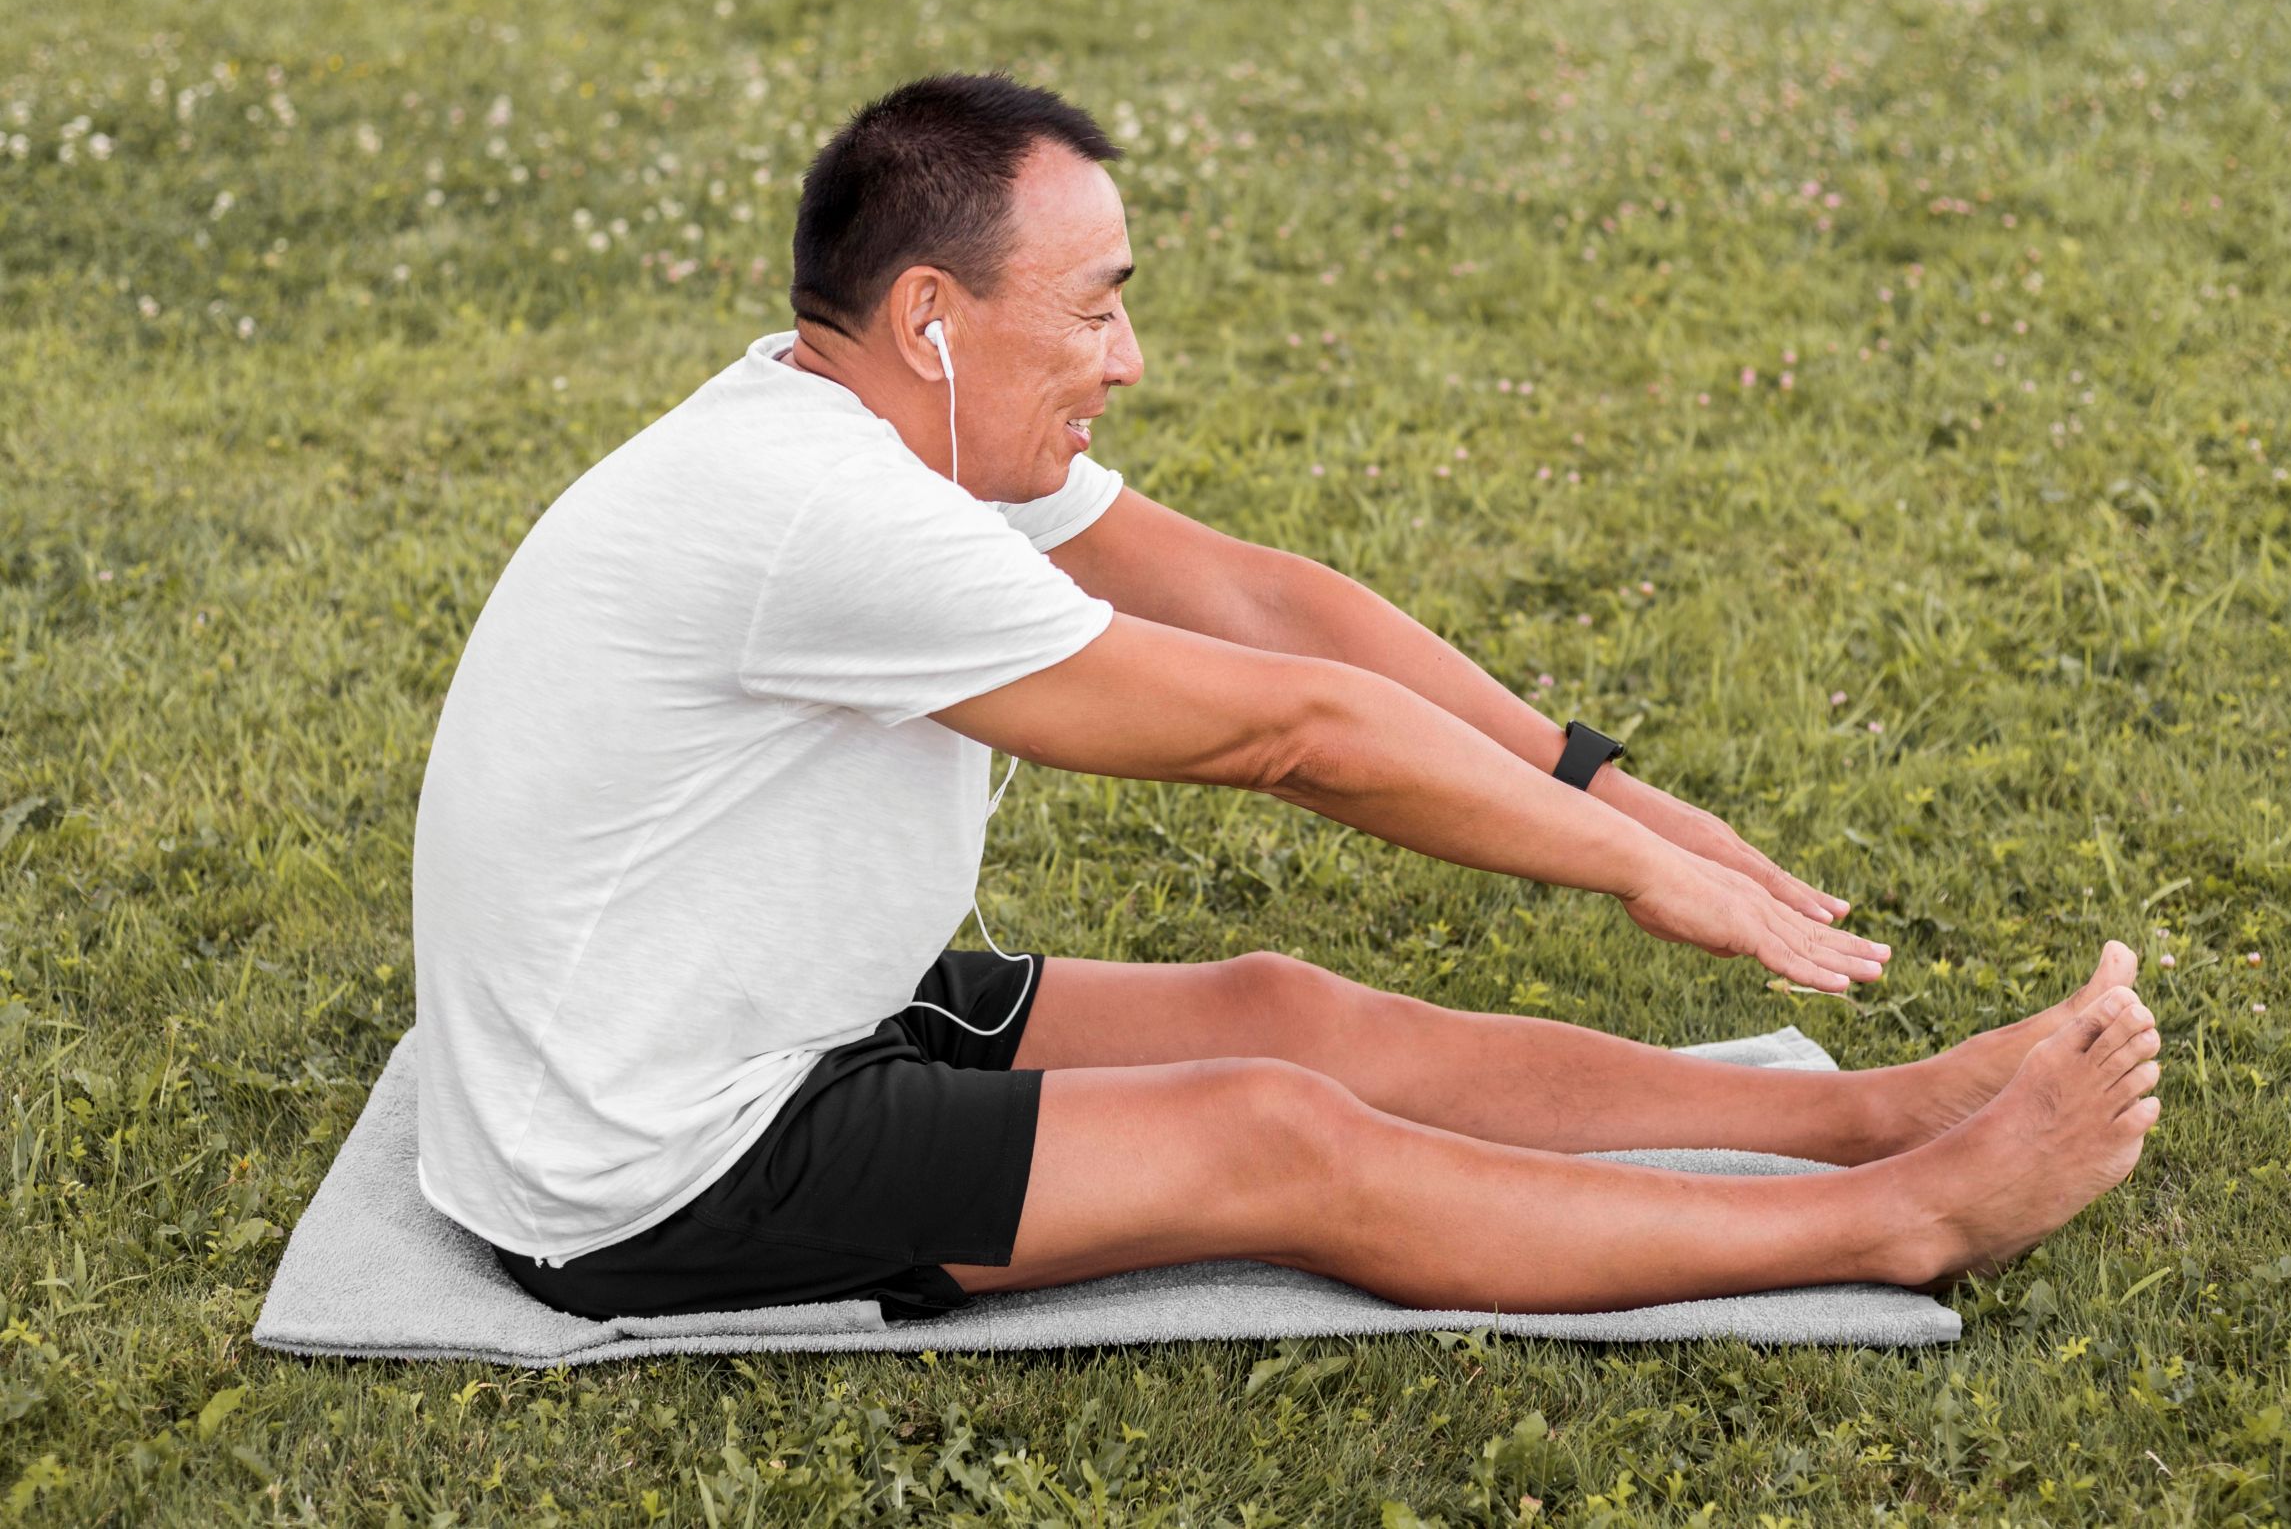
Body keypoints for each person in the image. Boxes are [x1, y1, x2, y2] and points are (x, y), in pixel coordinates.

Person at [413, 69, 2161, 1326]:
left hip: (763, 1017)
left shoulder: (872, 416)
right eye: (1093, 311)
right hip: (653, 1164)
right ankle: (1898, 1218)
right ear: (931, 316)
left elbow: (1262, 601)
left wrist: (1606, 785)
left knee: (1282, 1006)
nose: (1127, 360)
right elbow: (1285, 729)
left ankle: (1865, 1113)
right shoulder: (831, 512)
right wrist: (1638, 872)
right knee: (1276, 1134)